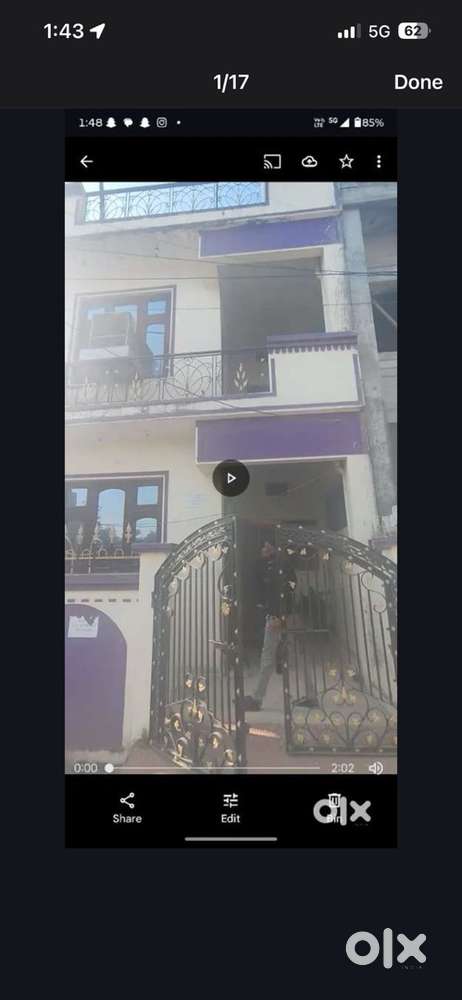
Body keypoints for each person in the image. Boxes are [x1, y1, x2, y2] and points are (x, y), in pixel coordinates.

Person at [243, 541, 295, 711]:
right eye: (262, 547)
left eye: (267, 547)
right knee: (279, 653)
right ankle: (290, 695)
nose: (264, 550)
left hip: (276, 617)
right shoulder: (268, 565)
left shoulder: (280, 566)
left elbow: (286, 590)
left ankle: (257, 699)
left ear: (273, 548)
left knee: (267, 657)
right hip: (275, 615)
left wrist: (277, 615)